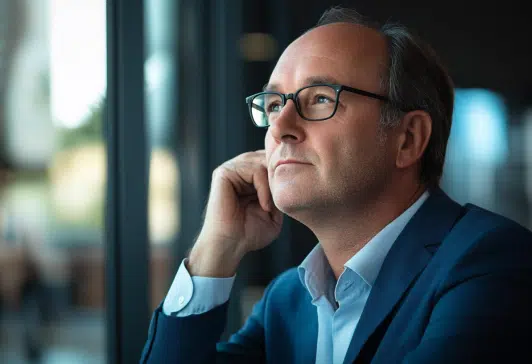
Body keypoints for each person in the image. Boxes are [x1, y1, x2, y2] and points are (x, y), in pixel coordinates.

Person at [140, 6, 532, 364]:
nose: (280, 127)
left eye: (320, 99)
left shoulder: (492, 262)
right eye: (275, 104)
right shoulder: (286, 301)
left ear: (408, 138)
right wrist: (215, 249)